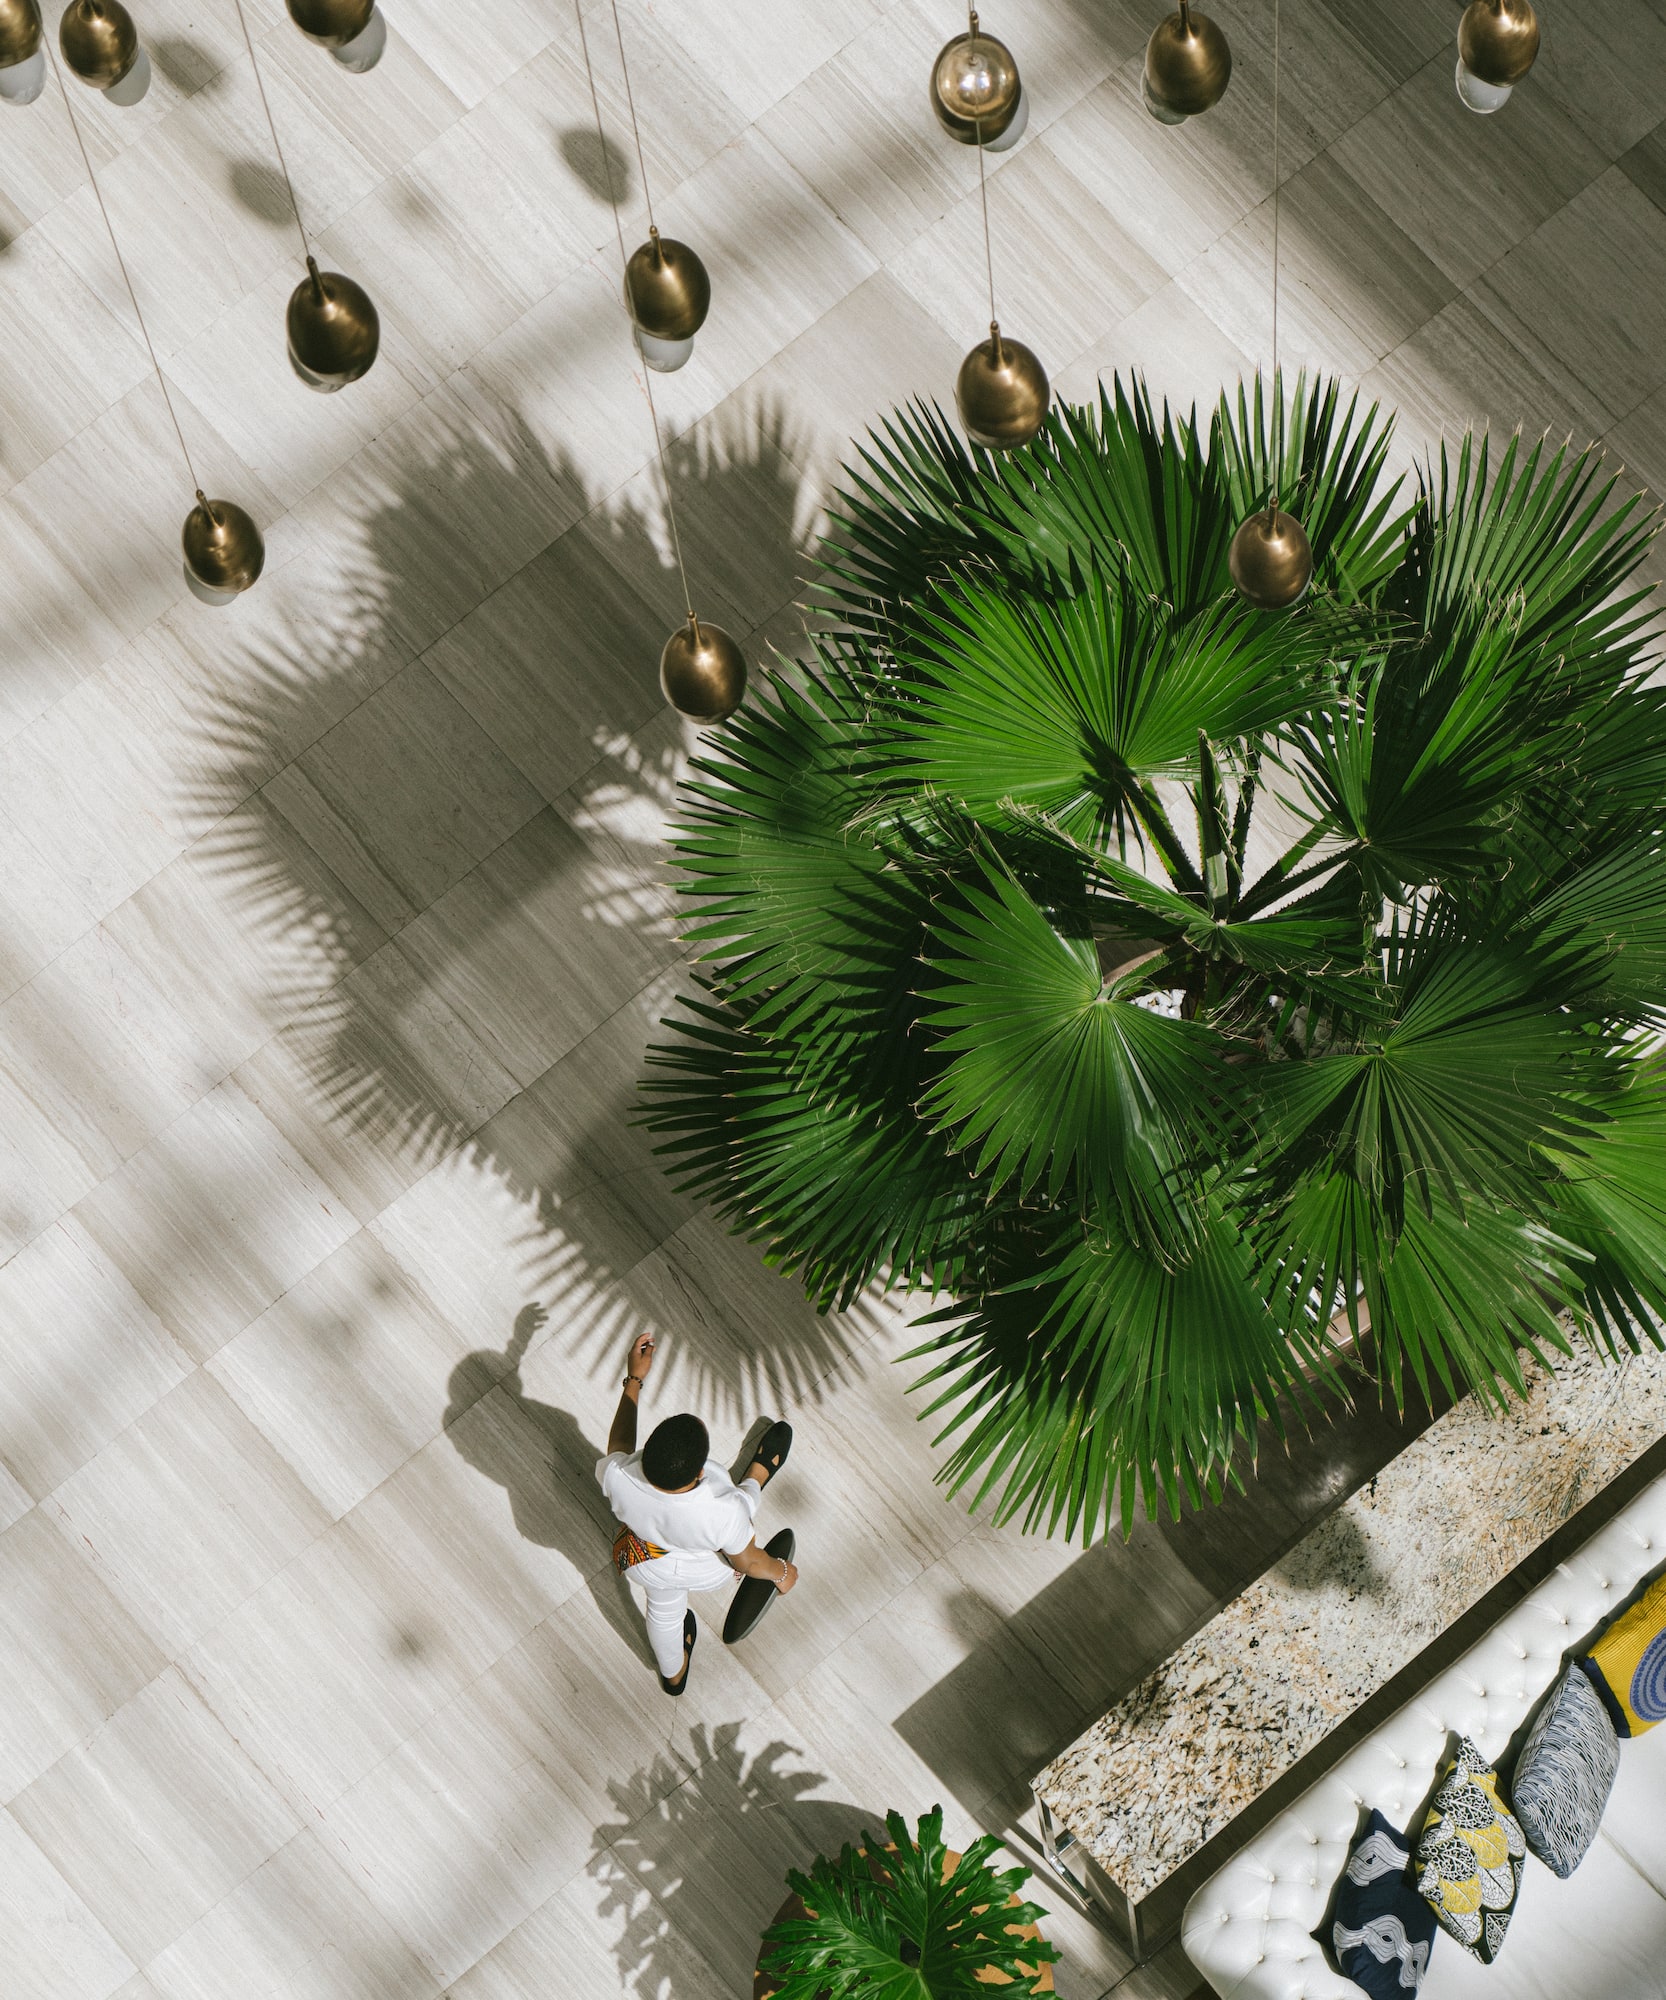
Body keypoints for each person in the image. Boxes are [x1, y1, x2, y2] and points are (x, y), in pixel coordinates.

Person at [596, 1329, 797, 1695]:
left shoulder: (617, 1474)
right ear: (700, 1472)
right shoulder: (719, 1511)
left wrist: (634, 1379)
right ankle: (757, 1475)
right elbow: (748, 1562)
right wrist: (782, 1573)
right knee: (742, 1506)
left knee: (663, 1613)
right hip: (704, 1569)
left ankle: (673, 1676)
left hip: (645, 1560)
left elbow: (619, 1445)